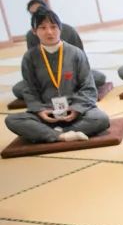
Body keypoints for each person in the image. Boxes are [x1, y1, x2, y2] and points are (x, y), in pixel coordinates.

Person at [5, 7, 110, 143]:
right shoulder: (29, 57)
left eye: (53, 27)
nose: (49, 32)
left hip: (76, 110)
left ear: (60, 29)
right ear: (34, 31)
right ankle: (64, 135)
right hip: (47, 113)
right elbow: (30, 90)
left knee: (101, 119)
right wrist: (40, 110)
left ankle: (53, 134)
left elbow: (88, 87)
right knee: (12, 120)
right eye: (43, 28)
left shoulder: (76, 53)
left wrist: (76, 109)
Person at [13, 0, 107, 100]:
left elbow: (81, 57)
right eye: (33, 13)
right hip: (45, 76)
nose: (49, 32)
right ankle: (65, 91)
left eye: (40, 9)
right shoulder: (31, 35)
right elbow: (33, 64)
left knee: (99, 78)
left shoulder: (68, 30)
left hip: (70, 73)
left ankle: (64, 91)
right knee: (18, 89)